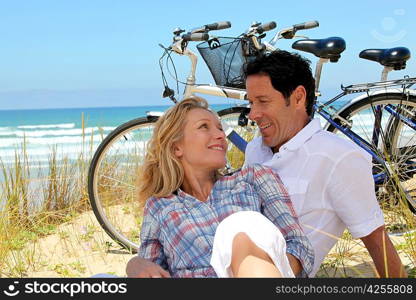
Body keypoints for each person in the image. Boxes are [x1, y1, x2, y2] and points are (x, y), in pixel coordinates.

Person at [243, 50, 406, 277]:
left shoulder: (338, 157)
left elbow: (375, 239)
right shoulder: (255, 150)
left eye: (263, 101)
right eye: (251, 102)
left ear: (299, 97)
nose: (253, 114)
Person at [127, 96, 314, 278]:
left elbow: (299, 247)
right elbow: (150, 271)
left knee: (239, 226)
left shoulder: (253, 179)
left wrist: (264, 265)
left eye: (219, 128)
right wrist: (134, 264)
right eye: (204, 127)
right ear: (177, 148)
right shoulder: (160, 206)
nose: (220, 135)